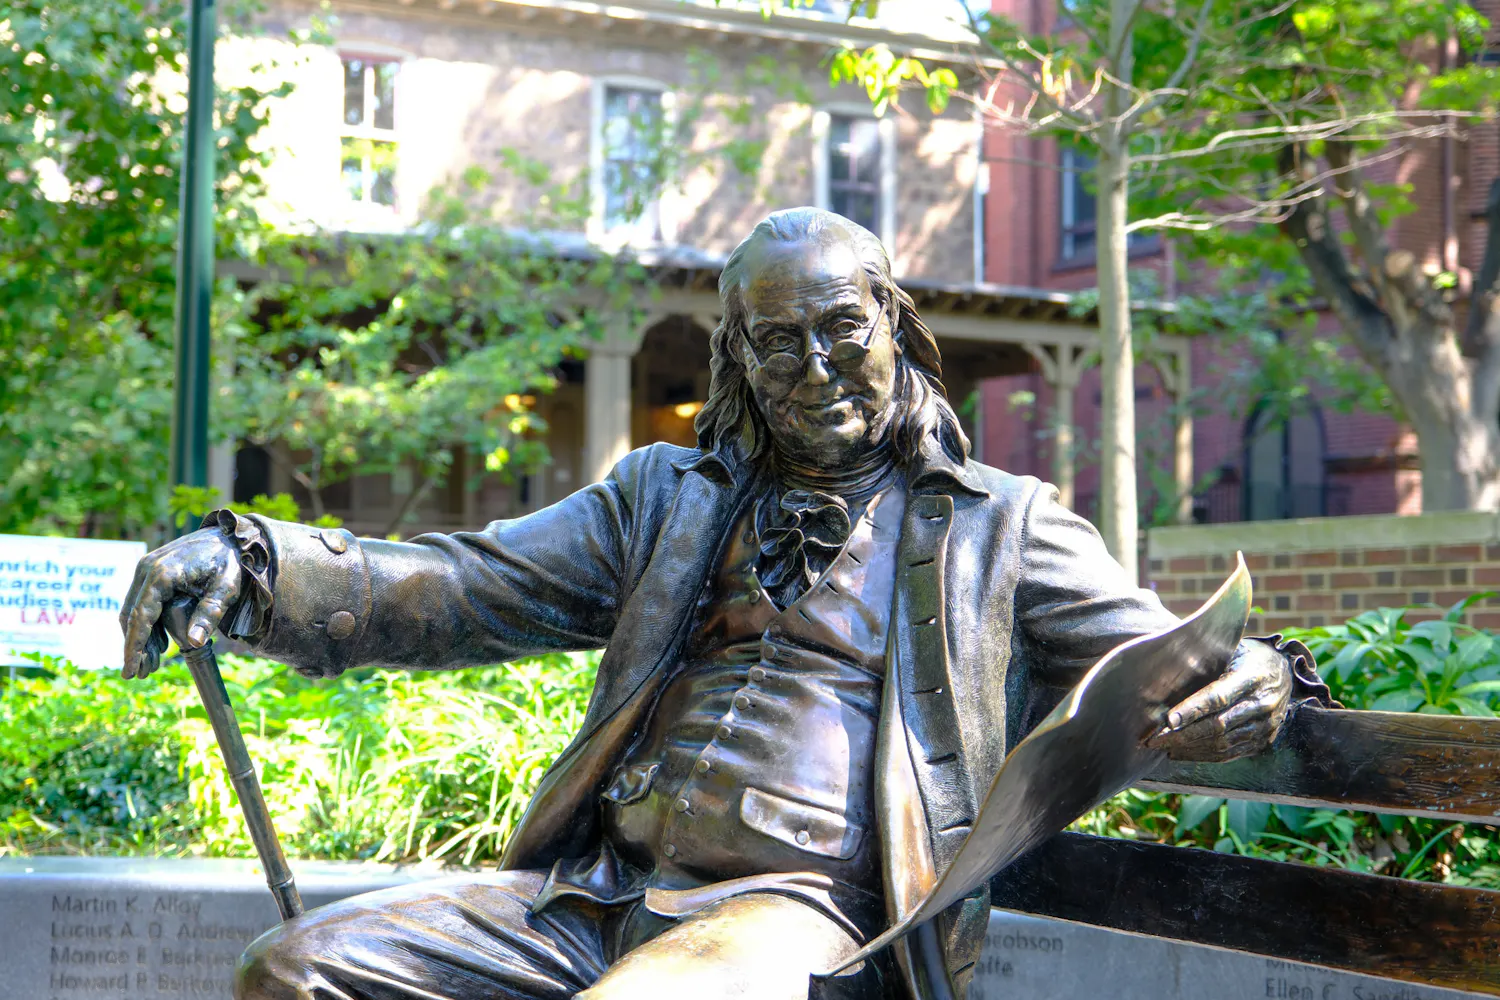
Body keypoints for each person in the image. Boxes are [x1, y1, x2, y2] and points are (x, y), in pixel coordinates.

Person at [120, 208, 1327, 1000]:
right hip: (595, 894)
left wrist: (1258, 674)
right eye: (775, 342)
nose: (814, 366)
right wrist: (259, 562)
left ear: (898, 329)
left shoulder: (1000, 525)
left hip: (809, 920)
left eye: (842, 329)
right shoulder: (665, 498)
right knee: (295, 970)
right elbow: (466, 582)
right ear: (736, 363)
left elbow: (1175, 655)